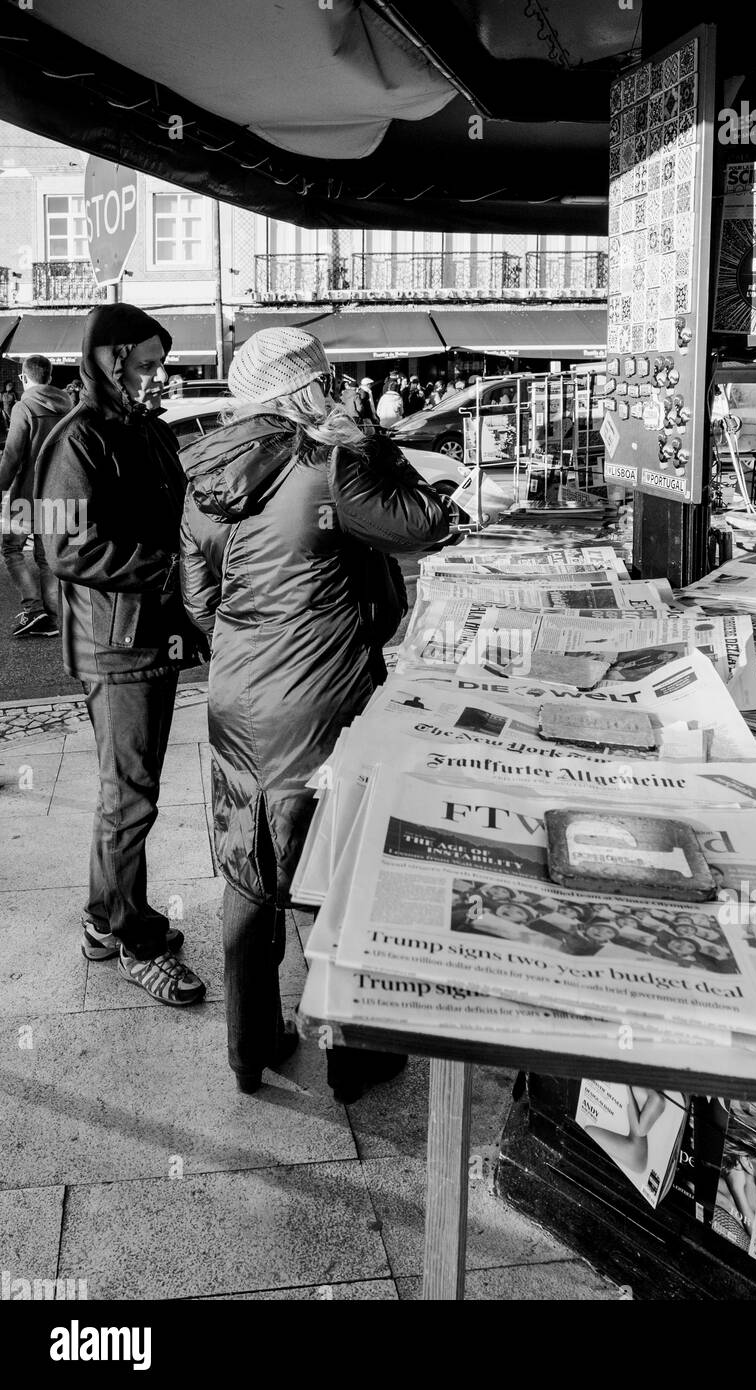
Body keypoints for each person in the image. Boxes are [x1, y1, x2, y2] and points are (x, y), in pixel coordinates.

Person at [178, 326, 454, 1098]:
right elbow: (423, 525)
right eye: (330, 383)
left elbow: (200, 604)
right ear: (305, 391)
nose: (339, 394)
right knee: (340, 872)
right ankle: (354, 1055)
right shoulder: (325, 464)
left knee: (250, 862)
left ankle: (250, 1047)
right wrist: (372, 444)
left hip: (238, 697)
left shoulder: (203, 474)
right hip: (322, 700)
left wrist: (255, 646)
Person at [33, 303, 207, 1002]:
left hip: (151, 632)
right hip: (114, 641)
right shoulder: (71, 439)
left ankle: (107, 919)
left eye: (159, 365)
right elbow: (62, 545)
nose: (155, 377)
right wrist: (166, 569)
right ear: (109, 358)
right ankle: (131, 938)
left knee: (132, 791)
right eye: (145, 364)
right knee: (128, 797)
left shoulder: (148, 431)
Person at [0, 354, 72, 637]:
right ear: (50, 377)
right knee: (47, 556)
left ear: (24, 378)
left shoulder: (24, 406)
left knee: (11, 548)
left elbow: (12, 455)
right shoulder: (70, 405)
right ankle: (51, 616)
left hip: (28, 494)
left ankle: (33, 609)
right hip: (62, 493)